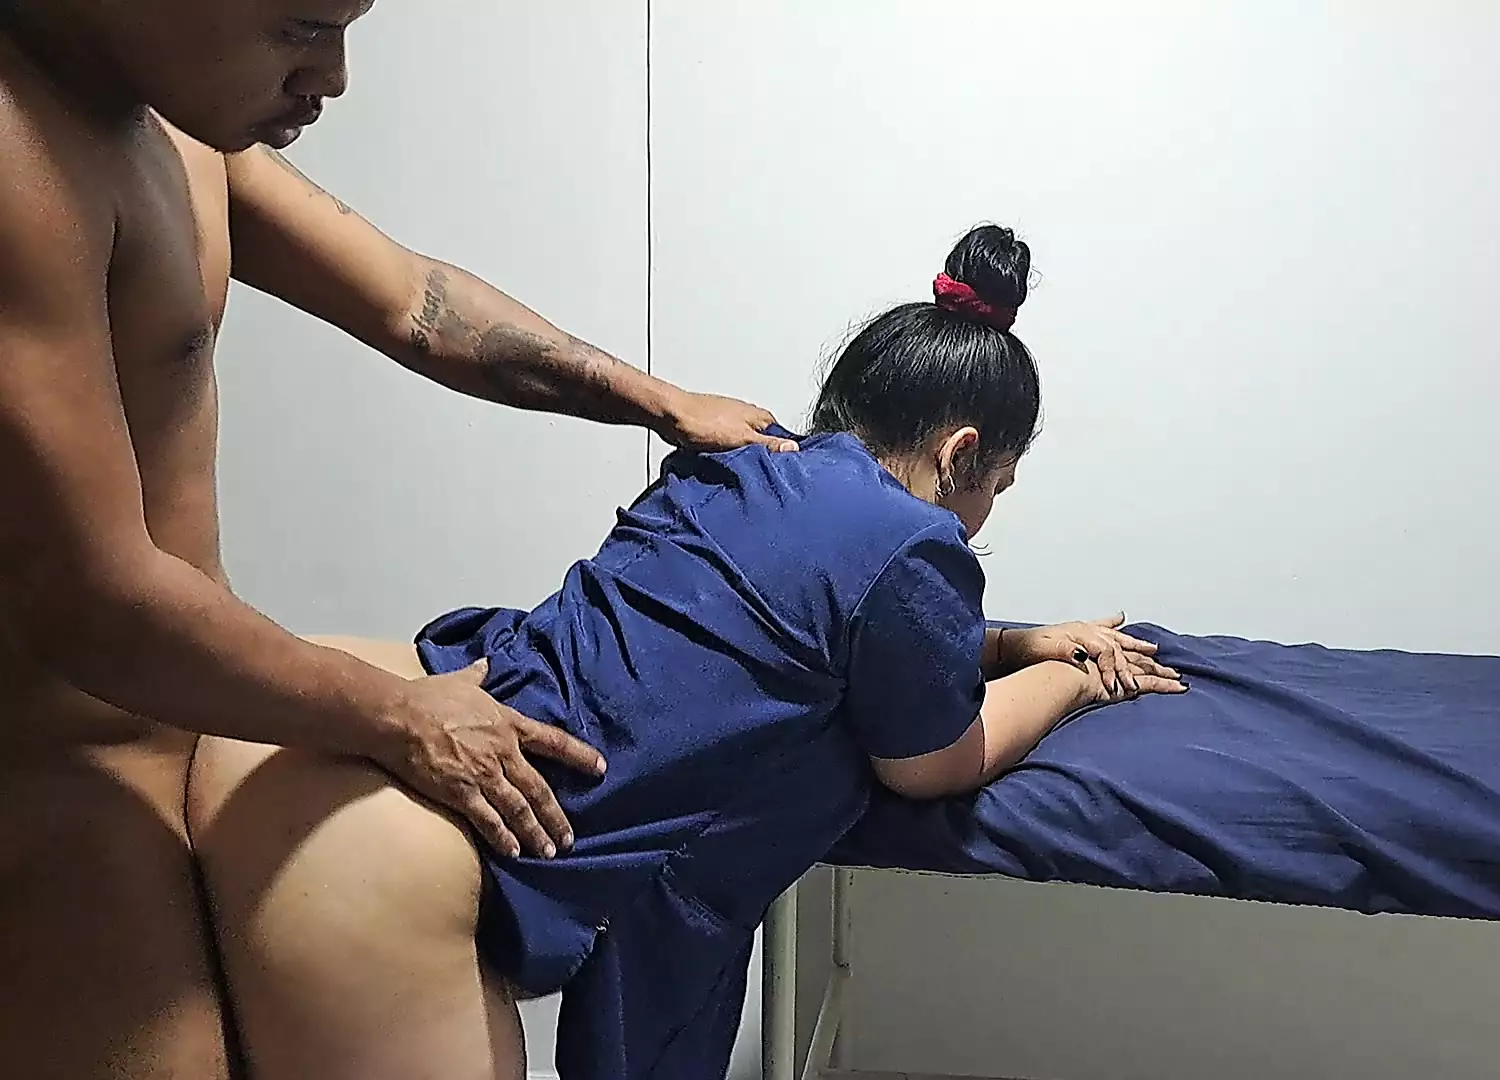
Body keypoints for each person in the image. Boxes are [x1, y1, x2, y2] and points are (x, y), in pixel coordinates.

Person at [186, 225, 1188, 1080]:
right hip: (382, 855)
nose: (983, 516)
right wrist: (1066, 679)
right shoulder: (915, 541)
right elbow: (936, 762)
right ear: (959, 452)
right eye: (994, 488)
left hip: (290, 732)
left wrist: (1013, 641)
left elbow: (818, 630)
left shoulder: (748, 461)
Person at [0, 3, 797, 1078]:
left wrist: (658, 402)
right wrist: (399, 714)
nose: (330, 75)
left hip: (196, 725)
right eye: (300, 28)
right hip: (63, 775)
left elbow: (415, 301)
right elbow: (93, 604)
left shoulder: (172, 129)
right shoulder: (19, 157)